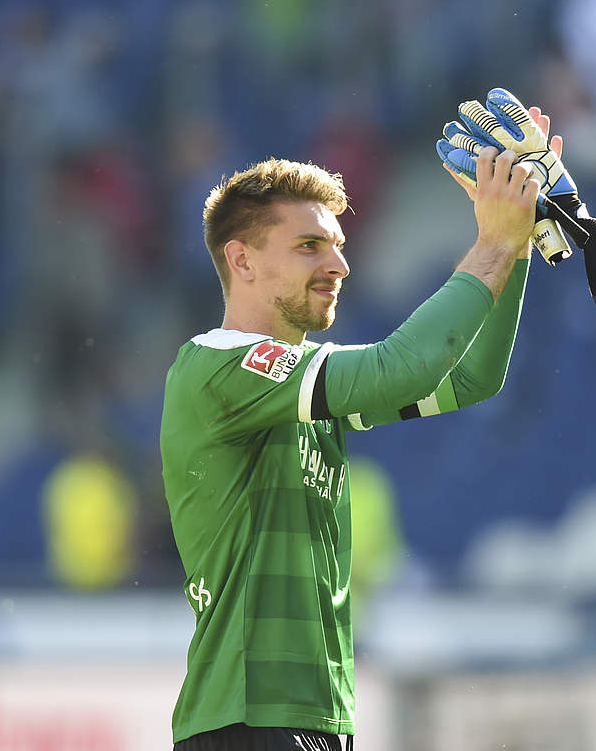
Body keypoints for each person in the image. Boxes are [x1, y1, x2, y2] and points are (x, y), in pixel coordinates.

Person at [160, 104, 556, 749]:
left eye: (339, 246)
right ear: (243, 260)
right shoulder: (218, 365)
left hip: (313, 717)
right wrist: (494, 243)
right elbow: (403, 367)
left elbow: (470, 379)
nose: (339, 265)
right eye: (310, 245)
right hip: (249, 716)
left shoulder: (299, 387)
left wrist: (518, 242)